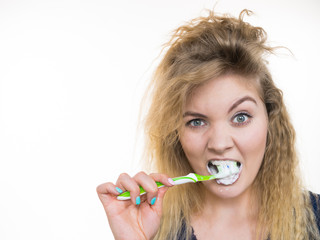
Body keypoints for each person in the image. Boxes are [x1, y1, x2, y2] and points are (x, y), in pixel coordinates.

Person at [96, 9, 320, 239]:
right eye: (197, 122)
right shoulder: (155, 228)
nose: (220, 143)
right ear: (176, 135)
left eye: (240, 117)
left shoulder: (316, 218)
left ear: (270, 120)